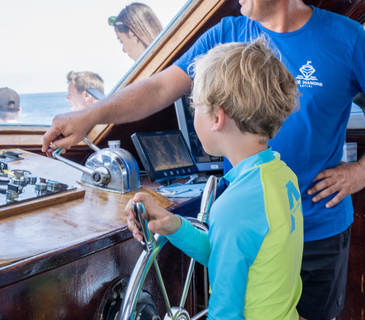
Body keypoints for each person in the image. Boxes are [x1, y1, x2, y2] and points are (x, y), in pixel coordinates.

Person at [43, 1, 365, 319]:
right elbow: (160, 86)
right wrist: (92, 116)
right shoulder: (228, 34)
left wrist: (362, 171)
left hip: (317, 232)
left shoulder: (346, 38)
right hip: (253, 221)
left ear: (216, 115)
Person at [126, 38, 303, 319]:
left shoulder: (236, 207)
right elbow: (229, 255)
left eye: (195, 107)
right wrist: (174, 226)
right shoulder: (282, 176)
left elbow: (225, 312)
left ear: (217, 118)